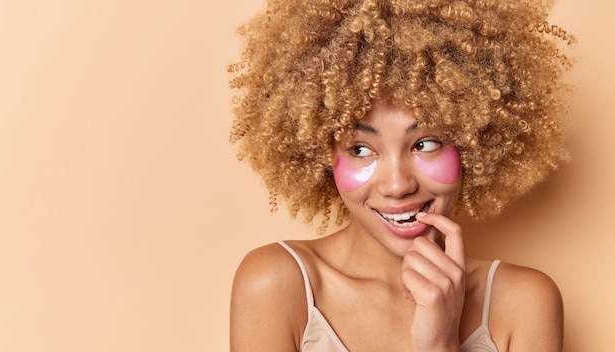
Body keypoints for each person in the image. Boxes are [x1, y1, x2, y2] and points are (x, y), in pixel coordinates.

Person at [228, 0, 575, 351]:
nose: (398, 185)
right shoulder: (276, 284)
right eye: (360, 149)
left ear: (476, 141)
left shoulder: (524, 302)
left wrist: (440, 342)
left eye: (426, 143)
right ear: (320, 154)